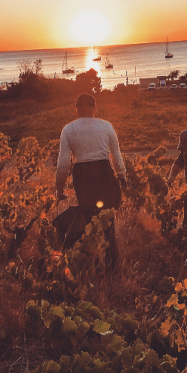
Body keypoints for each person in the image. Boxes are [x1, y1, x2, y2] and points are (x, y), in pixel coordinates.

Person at [55, 93, 127, 265]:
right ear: (95, 109)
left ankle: (92, 265)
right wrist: (122, 176)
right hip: (104, 172)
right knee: (108, 221)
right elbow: (116, 155)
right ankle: (113, 265)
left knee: (88, 222)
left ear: (76, 110)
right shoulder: (107, 126)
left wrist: (59, 187)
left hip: (82, 176)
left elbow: (64, 162)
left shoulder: (68, 129)